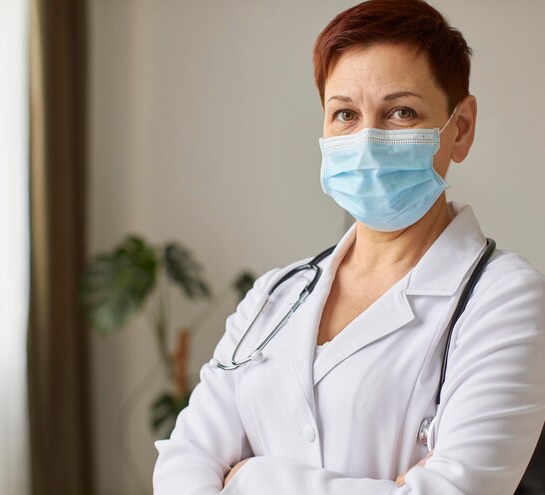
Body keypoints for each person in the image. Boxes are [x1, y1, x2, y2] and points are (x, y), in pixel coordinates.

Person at [152, 1, 545, 493]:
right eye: (344, 114)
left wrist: (253, 477)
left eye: (401, 111)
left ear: (460, 128)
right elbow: (185, 459)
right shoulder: (277, 293)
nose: (367, 139)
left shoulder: (504, 298)